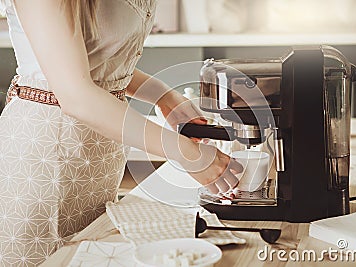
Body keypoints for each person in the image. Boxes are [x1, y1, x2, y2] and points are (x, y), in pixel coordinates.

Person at [0, 0, 242, 265]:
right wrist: (186, 153)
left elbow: (98, 58)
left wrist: (164, 96)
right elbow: (76, 95)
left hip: (97, 160)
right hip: (43, 163)